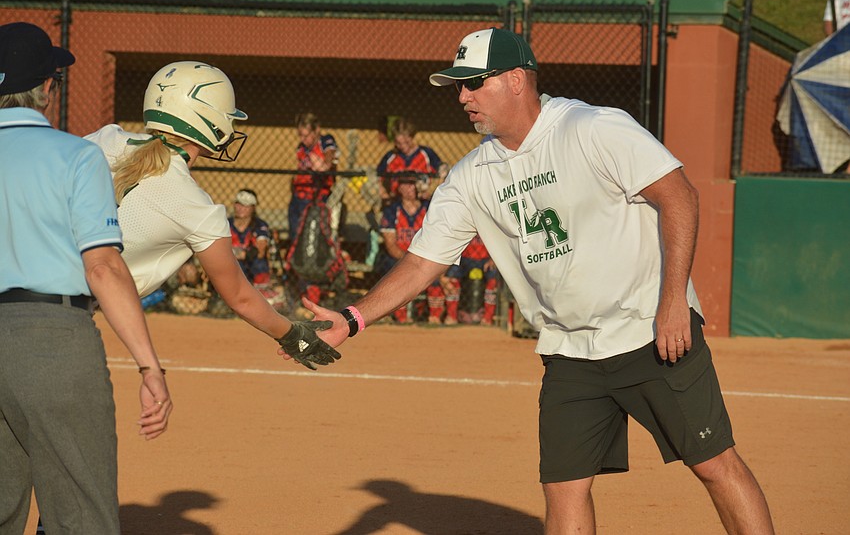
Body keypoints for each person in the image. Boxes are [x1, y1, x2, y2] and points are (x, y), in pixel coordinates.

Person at [302, 27, 775, 534]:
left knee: (713, 462)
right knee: (564, 487)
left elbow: (679, 196)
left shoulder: (593, 128)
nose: (462, 97)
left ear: (515, 80)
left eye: (474, 83)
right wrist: (353, 318)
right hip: (570, 352)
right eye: (459, 86)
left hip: (648, 331)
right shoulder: (471, 176)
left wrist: (673, 301)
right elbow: (422, 262)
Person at [0, 21, 172, 534]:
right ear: (49, 88)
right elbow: (102, 266)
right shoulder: (77, 156)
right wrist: (149, 367)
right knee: (80, 513)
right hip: (51, 339)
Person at [85, 61, 339, 370]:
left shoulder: (105, 138)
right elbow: (240, 296)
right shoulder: (196, 207)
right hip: (59, 317)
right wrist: (293, 334)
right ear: (207, 120)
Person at [375, 173, 445, 324]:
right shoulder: (391, 210)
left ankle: (435, 317)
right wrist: (410, 261)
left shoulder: (430, 207)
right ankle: (401, 317)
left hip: (427, 256)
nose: (409, 188)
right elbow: (391, 245)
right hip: (398, 257)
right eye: (405, 184)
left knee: (439, 272)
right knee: (397, 274)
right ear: (399, 188)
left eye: (413, 184)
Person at [376, 116, 447, 203]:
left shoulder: (426, 153)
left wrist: (432, 193)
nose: (403, 146)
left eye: (406, 142)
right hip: (397, 202)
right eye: (398, 143)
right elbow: (378, 177)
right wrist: (385, 195)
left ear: (412, 137)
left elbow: (442, 172)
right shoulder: (390, 156)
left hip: (423, 202)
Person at [290, 112, 337, 242]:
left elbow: (329, 155)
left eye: (306, 135)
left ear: (316, 131)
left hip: (315, 197)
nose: (303, 139)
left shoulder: (325, 141)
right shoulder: (301, 148)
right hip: (298, 195)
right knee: (295, 232)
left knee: (311, 235)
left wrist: (324, 165)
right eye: (300, 135)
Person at [441, 234, 499, 326]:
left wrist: (494, 258)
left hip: (486, 258)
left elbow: (499, 241)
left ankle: (487, 318)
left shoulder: (490, 221)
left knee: (493, 281)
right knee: (450, 280)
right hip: (463, 258)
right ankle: (451, 316)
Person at [229, 188, 272, 285]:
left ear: (253, 208)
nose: (241, 208)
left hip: (251, 264)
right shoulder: (226, 223)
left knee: (259, 264)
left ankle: (262, 291)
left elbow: (260, 251)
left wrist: (242, 254)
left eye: (245, 205)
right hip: (232, 264)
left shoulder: (259, 225)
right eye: (238, 204)